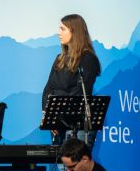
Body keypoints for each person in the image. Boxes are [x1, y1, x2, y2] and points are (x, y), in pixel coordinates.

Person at [42, 13, 102, 147]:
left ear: (74, 32)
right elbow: (48, 89)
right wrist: (50, 118)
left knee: (76, 160)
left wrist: (56, 113)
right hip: (57, 123)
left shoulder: (88, 59)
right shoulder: (59, 59)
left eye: (62, 29)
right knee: (60, 161)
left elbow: (80, 94)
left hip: (77, 124)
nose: (58, 32)